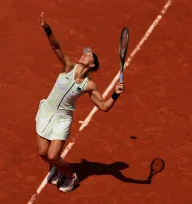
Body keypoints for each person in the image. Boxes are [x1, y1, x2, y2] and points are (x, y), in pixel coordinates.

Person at [35, 12, 125, 193]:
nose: (84, 55)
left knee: (54, 155)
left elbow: (104, 106)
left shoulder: (88, 85)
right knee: (43, 153)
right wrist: (47, 28)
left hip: (62, 119)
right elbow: (55, 46)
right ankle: (58, 169)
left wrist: (115, 94)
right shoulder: (68, 66)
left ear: (92, 65)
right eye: (85, 54)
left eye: (89, 55)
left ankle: (71, 176)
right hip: (47, 111)